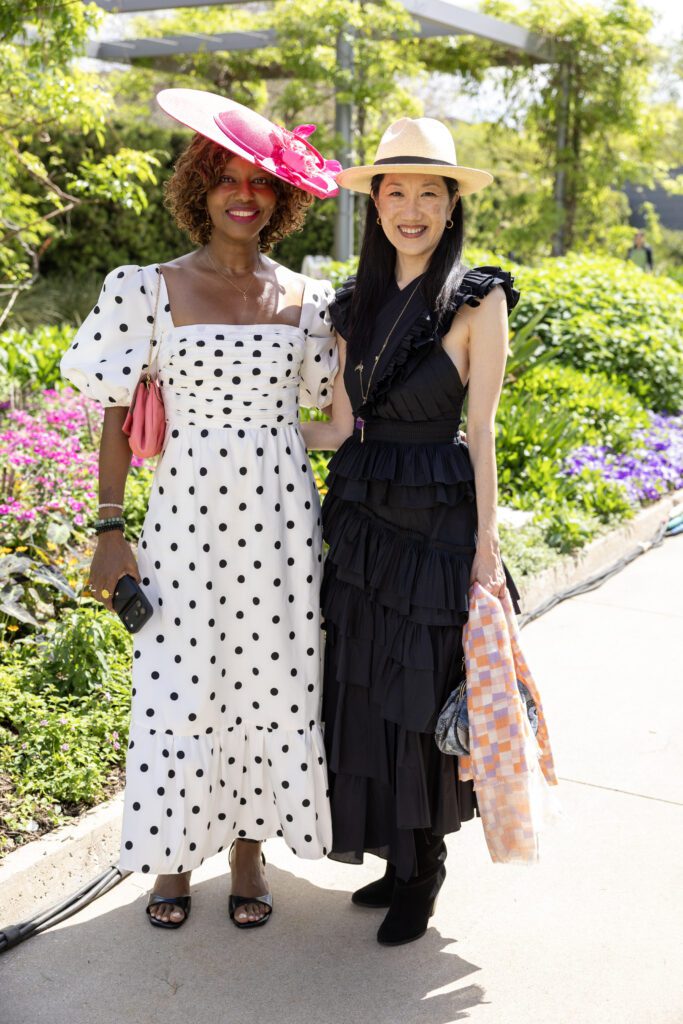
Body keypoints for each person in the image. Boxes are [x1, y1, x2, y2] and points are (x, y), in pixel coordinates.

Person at [60, 89, 341, 930]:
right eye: (224, 179)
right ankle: (174, 857)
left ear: (282, 198)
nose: (242, 195)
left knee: (274, 683)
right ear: (198, 189)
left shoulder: (310, 301)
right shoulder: (143, 288)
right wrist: (110, 534)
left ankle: (250, 852)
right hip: (183, 522)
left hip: (283, 522)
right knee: (178, 687)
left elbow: (325, 418)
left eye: (259, 182)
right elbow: (114, 416)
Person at [301, 116, 520, 946]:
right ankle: (396, 856)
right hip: (362, 517)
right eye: (397, 191)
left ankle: (423, 868)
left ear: (452, 203)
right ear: (377, 203)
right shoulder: (353, 304)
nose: (413, 207)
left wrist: (486, 552)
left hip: (435, 526)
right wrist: (237, 430)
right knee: (362, 684)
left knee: (418, 693)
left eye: (431, 192)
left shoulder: (477, 296)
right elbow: (338, 426)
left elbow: (486, 429)